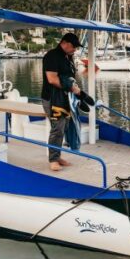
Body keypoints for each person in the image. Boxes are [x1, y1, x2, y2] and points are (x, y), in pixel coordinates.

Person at [41, 33, 82, 171]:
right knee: (57, 127)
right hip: (52, 98)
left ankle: (57, 156)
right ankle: (53, 160)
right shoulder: (52, 56)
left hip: (64, 97)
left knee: (63, 127)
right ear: (64, 43)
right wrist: (71, 88)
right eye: (73, 46)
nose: (75, 49)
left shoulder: (68, 56)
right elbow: (52, 79)